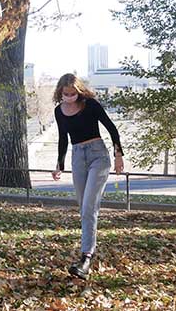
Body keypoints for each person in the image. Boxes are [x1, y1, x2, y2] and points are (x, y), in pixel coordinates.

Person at [51, 73, 124, 279]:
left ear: (79, 91)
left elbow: (111, 128)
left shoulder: (91, 105)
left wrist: (119, 155)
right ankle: (87, 252)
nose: (70, 97)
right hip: (77, 156)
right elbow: (62, 138)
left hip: (97, 155)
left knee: (89, 206)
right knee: (83, 207)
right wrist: (60, 164)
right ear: (60, 93)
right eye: (66, 94)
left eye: (73, 93)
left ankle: (86, 258)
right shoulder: (59, 111)